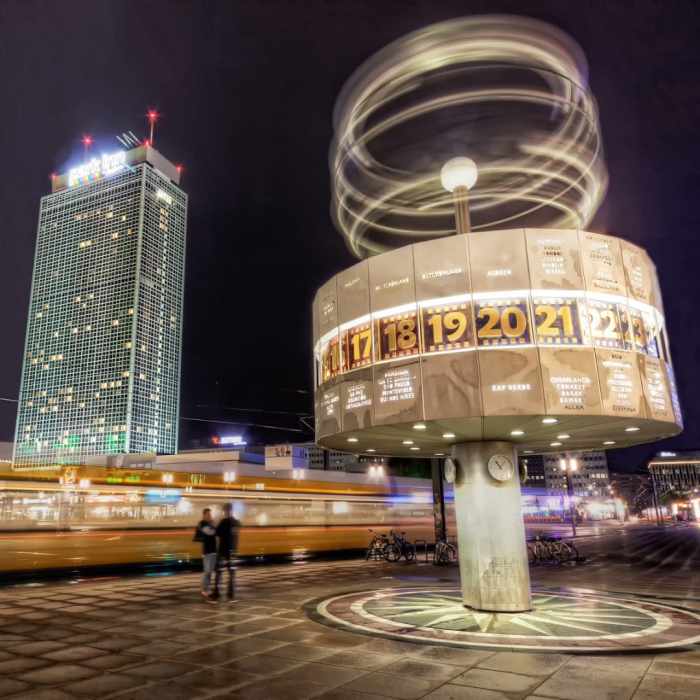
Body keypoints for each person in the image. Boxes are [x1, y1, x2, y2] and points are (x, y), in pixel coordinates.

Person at [211, 502, 240, 601]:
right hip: (233, 552)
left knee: (219, 572)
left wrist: (215, 524)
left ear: (226, 511)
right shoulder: (237, 522)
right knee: (232, 573)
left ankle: (216, 593)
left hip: (223, 551)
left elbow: (216, 533)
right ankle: (231, 593)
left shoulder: (223, 522)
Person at [194, 508, 217, 600]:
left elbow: (215, 532)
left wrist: (213, 525)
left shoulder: (210, 523)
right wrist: (213, 526)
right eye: (208, 514)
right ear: (204, 515)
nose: (209, 516)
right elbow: (211, 532)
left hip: (213, 551)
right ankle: (204, 589)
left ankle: (207, 588)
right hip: (206, 551)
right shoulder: (202, 523)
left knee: (210, 572)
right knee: (207, 571)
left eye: (210, 514)